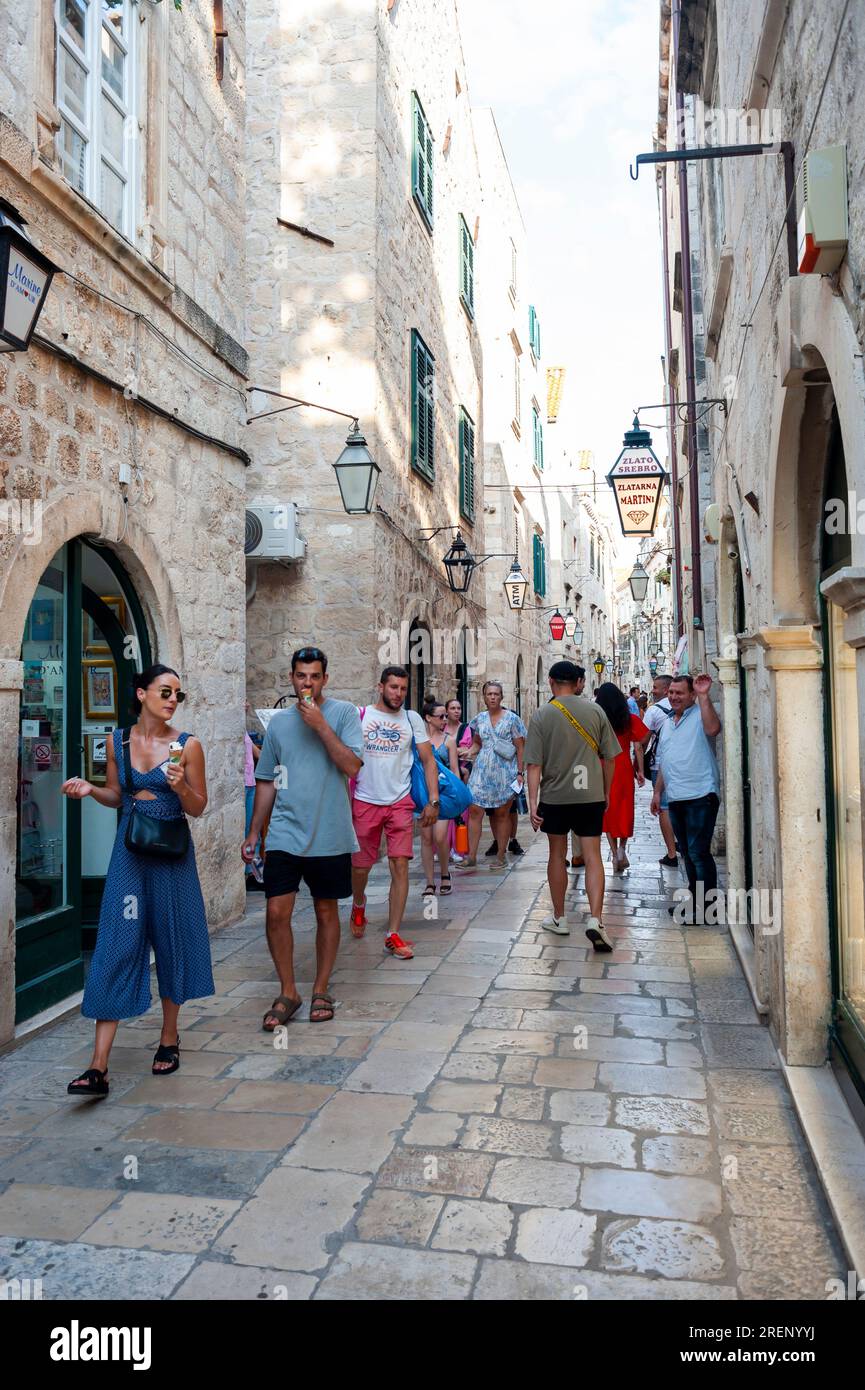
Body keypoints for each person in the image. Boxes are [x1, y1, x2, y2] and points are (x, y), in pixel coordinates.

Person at [62, 664, 213, 1097]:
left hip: (171, 855)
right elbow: (117, 795)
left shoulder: (188, 746)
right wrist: (90, 791)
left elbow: (199, 807)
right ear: (142, 693)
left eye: (177, 695)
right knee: (115, 944)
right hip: (129, 854)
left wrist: (182, 786)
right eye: (165, 691)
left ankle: (169, 1037)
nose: (172, 700)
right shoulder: (117, 741)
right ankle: (97, 1066)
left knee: (172, 939)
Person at [243, 647, 363, 1026]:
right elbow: (267, 780)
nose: (307, 683)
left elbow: (352, 765)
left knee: (326, 911)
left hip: (329, 832)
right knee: (277, 912)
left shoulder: (343, 714)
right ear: (292, 678)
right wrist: (253, 832)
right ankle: (288, 991)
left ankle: (321, 988)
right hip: (284, 833)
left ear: (325, 678)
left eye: (314, 676)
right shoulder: (278, 724)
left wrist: (321, 726)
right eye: (300, 676)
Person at [525, 660, 621, 950]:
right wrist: (604, 792)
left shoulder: (542, 715)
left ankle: (559, 917)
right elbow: (610, 758)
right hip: (590, 795)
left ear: (552, 682)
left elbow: (533, 765)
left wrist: (532, 803)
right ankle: (595, 919)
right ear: (577, 682)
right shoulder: (596, 711)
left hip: (555, 797)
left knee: (557, 854)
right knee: (593, 856)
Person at [349, 666, 440, 960]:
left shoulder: (412, 719)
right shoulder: (361, 716)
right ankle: (359, 902)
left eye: (403, 688)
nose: (399, 694)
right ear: (380, 687)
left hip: (400, 801)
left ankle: (393, 933)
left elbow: (428, 761)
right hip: (365, 799)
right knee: (360, 868)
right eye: (393, 688)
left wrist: (433, 800)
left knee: (400, 866)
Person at [650, 673, 722, 924]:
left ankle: (707, 909)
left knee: (698, 852)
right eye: (671, 692)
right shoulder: (668, 723)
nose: (673, 697)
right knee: (688, 854)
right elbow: (665, 760)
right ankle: (695, 900)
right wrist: (658, 792)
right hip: (676, 796)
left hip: (701, 794)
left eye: (679, 693)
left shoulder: (700, 715)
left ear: (691, 695)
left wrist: (704, 696)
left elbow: (714, 728)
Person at [464, 681, 527, 869]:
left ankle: (501, 855)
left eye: (496, 694)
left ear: (501, 697)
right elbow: (477, 743)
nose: (492, 697)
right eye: (489, 694)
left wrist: (519, 772)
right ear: (483, 696)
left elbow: (520, 746)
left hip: (504, 772)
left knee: (502, 814)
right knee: (474, 811)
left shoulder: (511, 719)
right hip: (482, 771)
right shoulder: (479, 719)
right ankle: (471, 856)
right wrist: (467, 752)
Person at [594, 682, 648, 872]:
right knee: (625, 808)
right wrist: (640, 770)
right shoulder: (629, 719)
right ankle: (622, 849)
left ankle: (613, 849)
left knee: (607, 811)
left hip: (603, 767)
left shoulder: (597, 720)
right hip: (623, 767)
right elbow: (640, 743)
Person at [420, 698, 460, 895]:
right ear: (428, 718)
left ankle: (444, 873)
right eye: (441, 716)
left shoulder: (449, 741)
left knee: (440, 836)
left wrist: (458, 797)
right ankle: (429, 882)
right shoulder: (419, 741)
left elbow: (454, 771)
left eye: (446, 716)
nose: (445, 719)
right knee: (426, 838)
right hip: (423, 794)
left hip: (444, 795)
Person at [643, 673, 678, 866]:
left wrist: (638, 765)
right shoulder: (687, 708)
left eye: (655, 687)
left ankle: (671, 854)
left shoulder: (654, 711)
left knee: (664, 808)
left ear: (665, 689)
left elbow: (642, 740)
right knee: (677, 805)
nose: (652, 691)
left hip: (659, 765)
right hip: (680, 766)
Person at [444, 696, 473, 862]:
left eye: (458, 708)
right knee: (445, 811)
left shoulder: (466, 729)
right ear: (446, 711)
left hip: (462, 774)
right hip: (444, 775)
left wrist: (454, 751)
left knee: (461, 812)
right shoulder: (442, 728)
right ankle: (444, 848)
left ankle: (459, 848)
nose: (456, 711)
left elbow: (468, 750)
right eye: (453, 708)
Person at [244, 701, 263, 891]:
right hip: (243, 785)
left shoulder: (244, 734)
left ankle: (255, 873)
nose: (247, 704)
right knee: (247, 830)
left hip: (250, 783)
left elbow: (257, 754)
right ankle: (250, 873)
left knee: (252, 829)